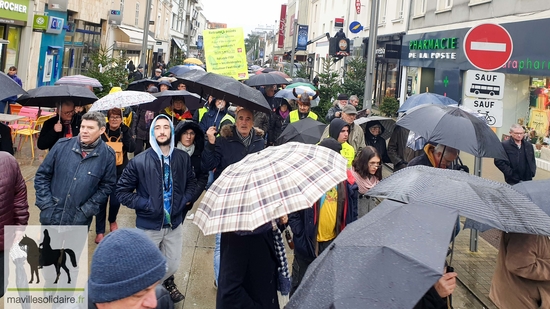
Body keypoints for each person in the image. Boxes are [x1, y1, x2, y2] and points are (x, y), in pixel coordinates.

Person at [117, 114, 197, 303]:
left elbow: (192, 183)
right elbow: (122, 191)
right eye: (158, 127)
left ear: (171, 130)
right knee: (145, 266)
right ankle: (143, 297)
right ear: (153, 131)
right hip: (149, 225)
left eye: (166, 127)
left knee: (172, 264)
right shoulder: (140, 161)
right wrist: (147, 204)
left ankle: (148, 290)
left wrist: (184, 200)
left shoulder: (182, 158)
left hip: (174, 225)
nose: (162, 131)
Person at [201, 108, 277, 307]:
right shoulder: (224, 139)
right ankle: (223, 283)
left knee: (248, 246)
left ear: (253, 122)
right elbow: (209, 165)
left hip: (252, 199)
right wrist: (210, 144)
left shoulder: (259, 141)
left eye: (248, 119)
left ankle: (241, 282)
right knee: (223, 244)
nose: (244, 122)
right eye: (240, 118)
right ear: (235, 120)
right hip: (228, 200)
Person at [288, 137, 358, 296]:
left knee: (325, 286)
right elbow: (294, 212)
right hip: (307, 243)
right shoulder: (307, 178)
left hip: (332, 242)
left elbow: (352, 214)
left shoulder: (346, 181)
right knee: (300, 286)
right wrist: (300, 237)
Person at [34, 111, 117, 226]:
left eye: (90, 128)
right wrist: (46, 204)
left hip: (79, 220)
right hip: (52, 216)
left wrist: (86, 210)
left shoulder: (108, 155)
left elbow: (107, 186)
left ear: (102, 130)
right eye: (83, 126)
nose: (84, 131)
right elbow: (42, 175)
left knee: (74, 245)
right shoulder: (61, 145)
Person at [88, 229, 174, 309]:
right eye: (139, 295)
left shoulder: (162, 299)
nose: (153, 303)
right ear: (102, 303)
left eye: (154, 286)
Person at [95, 108, 136, 244]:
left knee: (115, 201)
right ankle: (99, 231)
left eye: (117, 117)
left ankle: (112, 220)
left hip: (119, 171)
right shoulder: (101, 129)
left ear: (121, 118)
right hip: (102, 171)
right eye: (112, 117)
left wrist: (126, 135)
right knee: (101, 202)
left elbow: (132, 148)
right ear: (108, 118)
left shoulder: (125, 130)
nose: (114, 120)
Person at [489, 231, 550, 309]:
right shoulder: (528, 233)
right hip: (521, 299)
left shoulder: (536, 229)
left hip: (513, 294)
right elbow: (519, 265)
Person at [0, 151, 29, 298]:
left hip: (3, 240)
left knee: (1, 287)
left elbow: (19, 194)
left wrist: (19, 225)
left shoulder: (8, 161)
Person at [174, 120, 209, 211]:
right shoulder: (169, 153)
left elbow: (202, 178)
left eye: (192, 133)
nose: (188, 137)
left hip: (186, 201)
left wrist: (191, 198)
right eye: (185, 133)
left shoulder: (199, 155)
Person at [351, 146, 382, 217]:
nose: (375, 167)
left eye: (377, 163)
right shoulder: (352, 177)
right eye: (372, 163)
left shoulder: (375, 178)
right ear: (364, 162)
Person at [133, 86, 159, 155]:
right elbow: (136, 118)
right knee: (137, 151)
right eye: (148, 93)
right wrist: (134, 132)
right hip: (140, 131)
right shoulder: (142, 105)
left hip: (151, 132)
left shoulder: (157, 107)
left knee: (149, 152)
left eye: (151, 93)